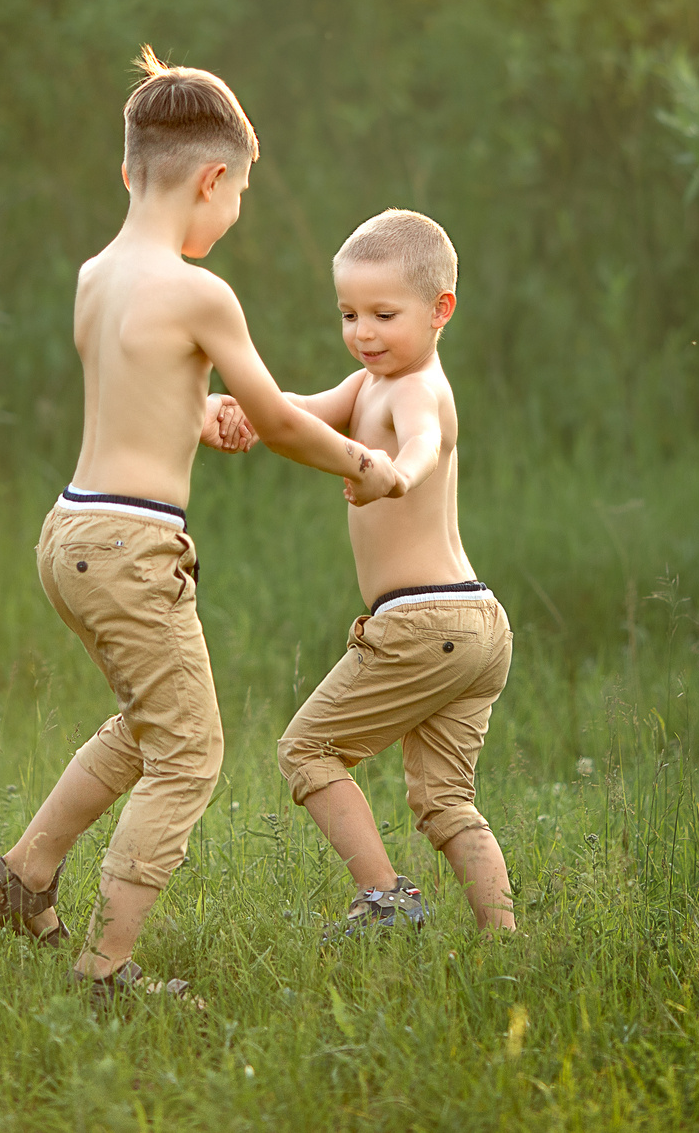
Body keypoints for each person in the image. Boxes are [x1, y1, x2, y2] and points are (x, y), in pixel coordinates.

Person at [0, 48, 403, 1000]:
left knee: (147, 725)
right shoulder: (202, 291)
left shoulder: (95, 274)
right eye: (235, 192)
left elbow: (136, 391)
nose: (231, 213)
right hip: (132, 545)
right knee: (191, 752)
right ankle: (106, 969)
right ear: (211, 179)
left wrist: (200, 414)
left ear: (128, 170)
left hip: (71, 533)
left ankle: (20, 877)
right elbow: (281, 418)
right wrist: (363, 462)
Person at [271, 208, 517, 934]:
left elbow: (424, 443)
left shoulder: (416, 389)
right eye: (349, 313)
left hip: (423, 622)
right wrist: (235, 409)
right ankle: (505, 946)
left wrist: (391, 476)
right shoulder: (364, 385)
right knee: (445, 801)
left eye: (383, 313)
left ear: (440, 311)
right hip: (474, 625)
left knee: (307, 748)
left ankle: (385, 899)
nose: (363, 332)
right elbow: (297, 414)